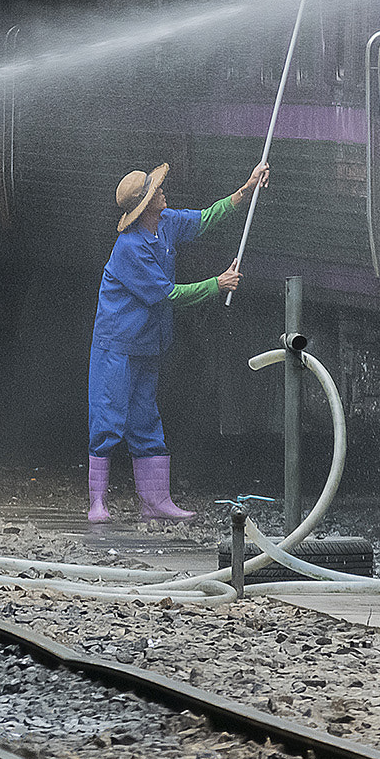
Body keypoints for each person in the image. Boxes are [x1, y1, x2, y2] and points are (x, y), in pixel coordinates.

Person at [87, 160, 268, 523]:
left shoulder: (166, 223)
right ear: (144, 205)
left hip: (147, 342)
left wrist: (245, 191)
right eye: (156, 190)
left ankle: (156, 501)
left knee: (145, 418)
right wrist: (217, 285)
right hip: (117, 343)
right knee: (108, 416)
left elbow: (204, 219)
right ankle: (97, 503)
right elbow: (166, 294)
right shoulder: (129, 249)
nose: (162, 191)